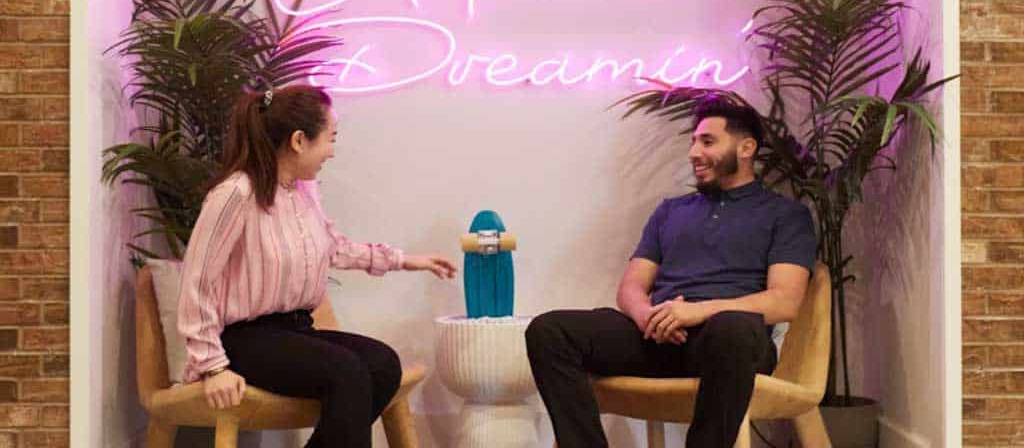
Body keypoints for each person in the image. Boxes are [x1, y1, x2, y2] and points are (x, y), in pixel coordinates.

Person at [525, 97, 817, 448]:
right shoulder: (671, 211)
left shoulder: (785, 215)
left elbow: (784, 302)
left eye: (707, 141)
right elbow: (632, 286)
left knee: (734, 328)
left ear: (746, 147)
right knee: (550, 330)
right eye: (693, 141)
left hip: (727, 344)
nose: (694, 152)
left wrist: (696, 311)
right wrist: (646, 315)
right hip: (659, 337)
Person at [178, 84, 456, 448]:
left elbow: (334, 249)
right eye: (330, 138)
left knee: (382, 365)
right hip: (245, 340)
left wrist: (405, 261)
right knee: (347, 373)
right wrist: (212, 366)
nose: (332, 152)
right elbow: (196, 280)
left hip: (295, 331)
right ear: (298, 141)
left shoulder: (303, 193)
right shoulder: (236, 193)